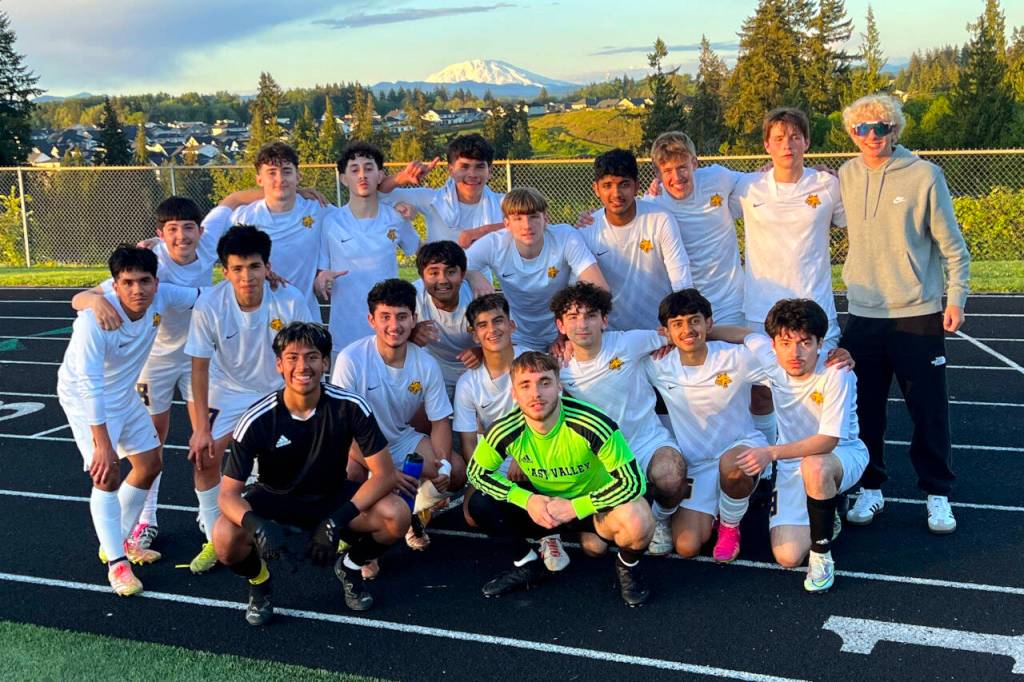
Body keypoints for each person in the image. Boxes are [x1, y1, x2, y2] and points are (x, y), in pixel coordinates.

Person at [214, 322, 410, 624]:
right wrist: (258, 526)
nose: (302, 366)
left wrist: (336, 521)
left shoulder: (351, 406)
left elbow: (384, 474)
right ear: (279, 364)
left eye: (312, 356)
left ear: (326, 362)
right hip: (275, 498)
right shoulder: (257, 418)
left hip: (331, 495)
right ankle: (259, 583)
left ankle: (351, 566)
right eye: (292, 357)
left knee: (397, 516)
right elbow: (227, 494)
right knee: (224, 538)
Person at [838, 94, 970, 534]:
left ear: (895, 130)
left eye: (880, 127)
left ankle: (937, 493)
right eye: (862, 129)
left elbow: (953, 248)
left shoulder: (926, 175)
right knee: (865, 409)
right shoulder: (845, 175)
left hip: (917, 312)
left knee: (928, 409)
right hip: (863, 314)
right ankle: (870, 487)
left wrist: (956, 299)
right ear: (851, 134)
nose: (871, 136)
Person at [70, 197, 217, 557]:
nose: (182, 236)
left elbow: (236, 201)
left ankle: (210, 521)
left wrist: (265, 274)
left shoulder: (211, 248)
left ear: (201, 231)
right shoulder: (151, 265)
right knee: (153, 444)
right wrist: (93, 300)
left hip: (196, 359)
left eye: (188, 228)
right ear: (160, 233)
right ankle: (144, 522)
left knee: (205, 437)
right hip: (156, 363)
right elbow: (82, 297)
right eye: (172, 229)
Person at [57, 245, 200, 595]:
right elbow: (90, 383)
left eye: (144, 281)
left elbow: (207, 294)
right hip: (85, 399)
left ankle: (117, 541)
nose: (138, 290)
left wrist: (258, 278)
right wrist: (102, 445)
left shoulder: (162, 296)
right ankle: (117, 565)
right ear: (115, 286)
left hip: (123, 393)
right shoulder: (95, 320)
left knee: (150, 464)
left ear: (156, 282)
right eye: (128, 282)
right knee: (107, 474)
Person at [467, 351, 654, 606]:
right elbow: (476, 473)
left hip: (591, 507)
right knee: (480, 503)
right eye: (525, 385)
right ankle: (528, 564)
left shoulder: (592, 422)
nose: (536, 393)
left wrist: (576, 507)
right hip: (545, 508)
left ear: (559, 387)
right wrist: (527, 500)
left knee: (638, 519)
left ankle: (628, 567)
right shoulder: (504, 429)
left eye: (544, 382)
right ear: (514, 393)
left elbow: (633, 481)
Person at [710, 299, 865, 592]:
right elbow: (742, 335)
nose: (795, 353)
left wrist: (770, 453)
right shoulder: (770, 359)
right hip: (794, 461)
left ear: (820, 343)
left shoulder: (837, 371)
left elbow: (827, 440)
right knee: (788, 556)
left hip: (840, 455)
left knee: (816, 465)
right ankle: (826, 511)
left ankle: (822, 556)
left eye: (805, 342)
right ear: (774, 345)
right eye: (786, 343)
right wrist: (696, 333)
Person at [184, 225, 313, 571]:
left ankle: (273, 519)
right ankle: (214, 533)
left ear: (267, 267)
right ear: (224, 271)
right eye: (238, 268)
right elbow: (198, 369)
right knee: (205, 456)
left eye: (255, 267)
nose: (247, 276)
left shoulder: (290, 299)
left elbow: (307, 356)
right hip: (226, 391)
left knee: (291, 461)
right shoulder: (209, 304)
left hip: (277, 392)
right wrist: (199, 428)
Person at [730, 108, 847, 447]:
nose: (788, 145)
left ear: (807, 141)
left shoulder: (828, 184)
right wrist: (654, 192)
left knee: (816, 394)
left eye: (795, 137)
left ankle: (816, 468)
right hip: (760, 309)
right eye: (779, 138)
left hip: (815, 307)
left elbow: (852, 218)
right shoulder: (747, 187)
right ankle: (767, 468)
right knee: (762, 394)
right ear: (767, 144)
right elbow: (696, 197)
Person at [551, 282, 686, 556]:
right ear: (561, 326)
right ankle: (624, 507)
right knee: (594, 549)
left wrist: (668, 346)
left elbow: (680, 335)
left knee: (671, 476)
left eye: (590, 315)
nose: (582, 324)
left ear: (604, 319)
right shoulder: (557, 368)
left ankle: (660, 516)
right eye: (573, 317)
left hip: (647, 442)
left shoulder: (629, 342)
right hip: (602, 458)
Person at [645, 289, 769, 562]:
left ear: (709, 323)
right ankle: (716, 508)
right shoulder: (657, 365)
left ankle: (730, 526)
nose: (687, 329)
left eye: (694, 320)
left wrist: (833, 356)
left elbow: (778, 358)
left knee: (733, 467)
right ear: (665, 331)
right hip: (697, 464)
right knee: (687, 547)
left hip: (740, 448)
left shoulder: (736, 358)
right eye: (677, 324)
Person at [331, 278, 455, 549]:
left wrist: (442, 465)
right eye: (384, 317)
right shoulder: (350, 360)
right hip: (359, 448)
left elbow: (441, 422)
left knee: (454, 470)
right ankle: (355, 539)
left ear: (414, 319)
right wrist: (385, 472)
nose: (394, 325)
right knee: (350, 475)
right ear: (371, 320)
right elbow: (342, 432)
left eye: (401, 316)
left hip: (400, 439)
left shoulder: (426, 364)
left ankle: (416, 515)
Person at [465, 187, 608, 351]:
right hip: (517, 336)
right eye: (518, 218)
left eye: (533, 217)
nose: (527, 225)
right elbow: (456, 264)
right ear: (507, 224)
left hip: (562, 333)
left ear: (545, 218)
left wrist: (567, 333)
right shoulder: (495, 244)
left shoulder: (565, 237)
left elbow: (600, 288)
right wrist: (473, 275)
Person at [202, 141, 330, 319]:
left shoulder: (318, 209)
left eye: (287, 171)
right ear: (259, 179)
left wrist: (326, 270)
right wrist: (159, 243)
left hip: (304, 317)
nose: (280, 179)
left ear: (298, 176)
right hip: (256, 321)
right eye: (272, 173)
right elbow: (199, 241)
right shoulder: (241, 217)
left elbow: (350, 227)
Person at [315, 141, 420, 356]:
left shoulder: (396, 217)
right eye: (354, 170)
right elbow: (320, 273)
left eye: (369, 168)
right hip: (344, 333)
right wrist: (321, 279)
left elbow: (422, 253)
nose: (362, 175)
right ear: (344, 179)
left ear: (380, 175)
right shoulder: (330, 221)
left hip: (388, 332)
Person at [576, 148, 692, 332]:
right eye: (607, 185)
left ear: (637, 186)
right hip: (611, 337)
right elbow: (580, 295)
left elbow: (681, 281)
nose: (616, 194)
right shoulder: (585, 231)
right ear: (596, 189)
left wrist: (678, 325)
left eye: (624, 184)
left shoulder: (660, 219)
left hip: (659, 334)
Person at [644, 132, 745, 327]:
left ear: (694, 163)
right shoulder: (653, 203)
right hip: (687, 310)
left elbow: (761, 183)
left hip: (732, 304)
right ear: (657, 173)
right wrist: (589, 219)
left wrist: (810, 174)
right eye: (668, 171)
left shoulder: (718, 178)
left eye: (682, 167)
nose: (677, 177)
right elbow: (620, 220)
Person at [379, 133, 505, 247]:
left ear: (490, 171)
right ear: (451, 171)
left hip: (481, 273)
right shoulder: (433, 200)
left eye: (479, 167)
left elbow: (523, 221)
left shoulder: (502, 203)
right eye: (464, 167)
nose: (472, 174)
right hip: (438, 271)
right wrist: (401, 178)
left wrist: (479, 232)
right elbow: (379, 196)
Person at [411, 240, 478, 399]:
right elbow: (389, 331)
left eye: (450, 272)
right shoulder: (412, 297)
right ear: (422, 276)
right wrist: (411, 335)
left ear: (462, 275)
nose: (442, 280)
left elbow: (502, 338)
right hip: (437, 368)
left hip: (477, 368)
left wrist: (483, 351)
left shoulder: (477, 296)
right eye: (434, 273)